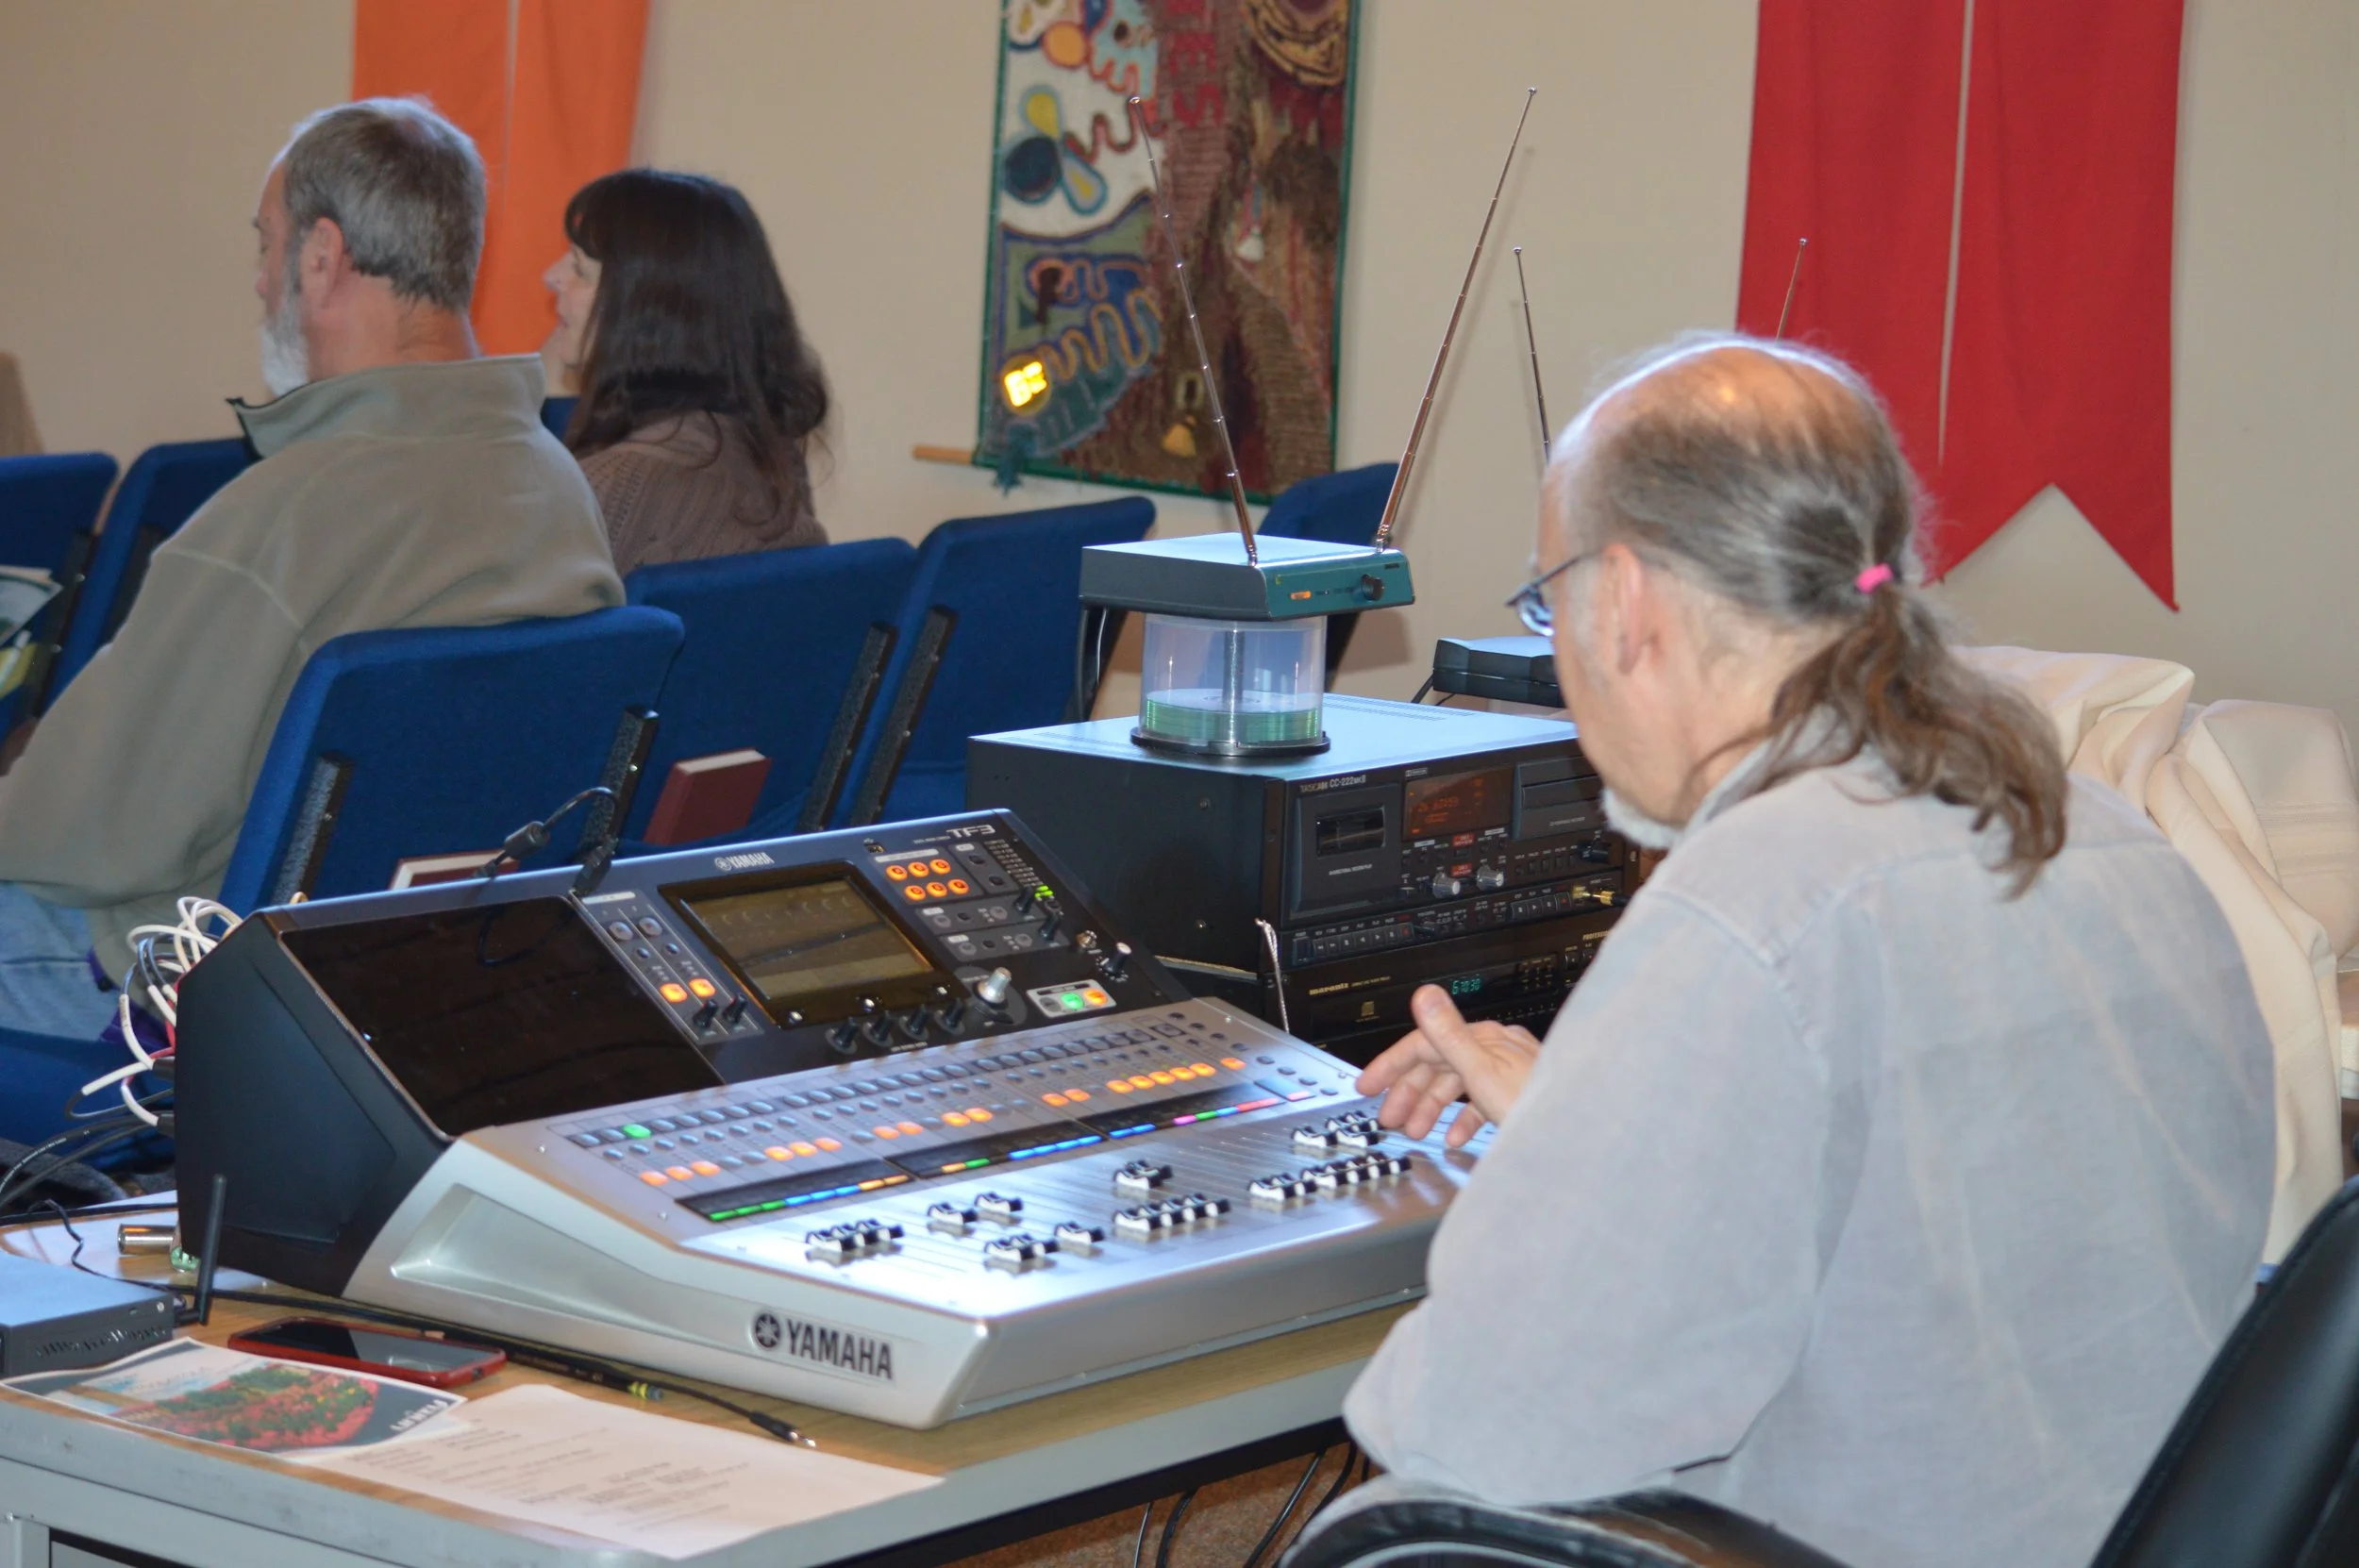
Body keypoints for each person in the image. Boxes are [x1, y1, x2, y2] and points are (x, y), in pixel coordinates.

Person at [1339, 337, 2273, 1568]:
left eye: (1547, 602)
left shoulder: (1752, 907)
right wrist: (1595, 1121)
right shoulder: (2108, 834)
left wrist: (1556, 1177)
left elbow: (1491, 1426)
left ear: (1626, 602)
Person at [0, 97, 622, 1039]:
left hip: (188, 976)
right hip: (434, 967)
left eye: (266, 245)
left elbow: (76, 835)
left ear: (323, 256)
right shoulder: (553, 482)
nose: (260, 283)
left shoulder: (280, 515)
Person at [540, 169, 829, 575]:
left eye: (580, 268)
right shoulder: (770, 462)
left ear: (648, 312)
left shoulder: (609, 489)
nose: (551, 277)